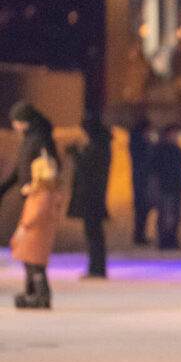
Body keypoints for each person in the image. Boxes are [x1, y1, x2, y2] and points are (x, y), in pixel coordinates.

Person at [10, 151, 64, 309]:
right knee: (33, 265)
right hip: (39, 235)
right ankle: (33, 293)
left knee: (34, 266)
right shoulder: (46, 193)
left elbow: (34, 214)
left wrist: (23, 226)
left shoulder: (43, 195)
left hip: (34, 235)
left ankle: (39, 294)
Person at [67, 114, 113, 279]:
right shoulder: (100, 145)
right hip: (93, 196)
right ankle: (96, 267)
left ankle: (97, 268)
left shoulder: (98, 146)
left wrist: (76, 155)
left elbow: (89, 169)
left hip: (92, 196)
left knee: (94, 234)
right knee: (94, 233)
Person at [0, 101, 59, 206]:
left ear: (22, 121)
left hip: (39, 198)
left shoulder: (40, 138)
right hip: (32, 197)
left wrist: (34, 187)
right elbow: (20, 168)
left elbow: (51, 167)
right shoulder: (29, 139)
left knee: (30, 223)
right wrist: (3, 188)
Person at [151, 125, 181, 250]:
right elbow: (156, 167)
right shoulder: (161, 150)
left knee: (175, 215)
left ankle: (172, 240)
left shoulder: (176, 150)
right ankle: (164, 241)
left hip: (176, 187)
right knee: (165, 215)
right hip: (166, 187)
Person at [128, 119, 155, 245]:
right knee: (141, 209)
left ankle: (140, 235)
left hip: (141, 180)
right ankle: (139, 236)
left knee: (142, 210)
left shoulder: (138, 144)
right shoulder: (141, 146)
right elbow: (146, 162)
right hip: (142, 181)